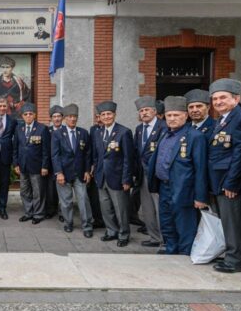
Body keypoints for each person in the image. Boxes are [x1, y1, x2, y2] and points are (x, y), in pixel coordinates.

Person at [147, 96, 209, 255]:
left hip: (184, 189)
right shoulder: (165, 134)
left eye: (176, 115)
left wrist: (200, 197)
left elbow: (201, 168)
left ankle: (185, 253)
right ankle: (170, 248)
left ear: (185, 116)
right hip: (164, 187)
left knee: (185, 225)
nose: (172, 119)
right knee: (167, 221)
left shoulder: (195, 136)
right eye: (169, 115)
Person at [207, 78, 241, 274]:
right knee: (230, 221)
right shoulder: (223, 119)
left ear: (236, 99)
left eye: (223, 98)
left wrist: (232, 182)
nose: (218, 102)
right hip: (219, 180)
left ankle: (235, 260)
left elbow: (240, 153)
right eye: (215, 99)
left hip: (229, 182)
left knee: (233, 222)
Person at [90, 101, 135, 246]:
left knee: (120, 209)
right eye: (103, 114)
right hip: (101, 177)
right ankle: (111, 231)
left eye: (109, 114)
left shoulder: (124, 132)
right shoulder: (98, 132)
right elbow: (97, 156)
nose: (106, 117)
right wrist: (96, 173)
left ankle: (123, 234)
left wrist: (127, 179)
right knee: (106, 208)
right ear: (100, 117)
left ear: (114, 115)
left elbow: (129, 158)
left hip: (118, 178)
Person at [50, 104, 94, 237]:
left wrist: (87, 170)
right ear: (64, 119)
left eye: (75, 117)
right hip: (63, 173)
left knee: (83, 200)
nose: (73, 119)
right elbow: (55, 155)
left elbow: (88, 154)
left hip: (80, 173)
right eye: (70, 117)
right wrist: (59, 173)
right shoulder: (57, 134)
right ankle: (68, 223)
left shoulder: (83, 133)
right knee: (66, 201)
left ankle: (87, 226)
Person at [133, 96, 167, 249]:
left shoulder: (163, 127)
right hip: (142, 175)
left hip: (157, 175)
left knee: (160, 208)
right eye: (141, 111)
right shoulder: (139, 129)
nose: (144, 113)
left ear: (154, 111)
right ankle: (154, 238)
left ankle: (165, 239)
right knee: (147, 208)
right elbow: (136, 152)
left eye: (147, 110)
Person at [13, 103, 50, 223]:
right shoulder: (19, 128)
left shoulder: (42, 128)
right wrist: (16, 164)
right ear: (22, 116)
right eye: (25, 114)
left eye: (30, 114)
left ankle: (38, 214)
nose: (28, 116)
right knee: (24, 191)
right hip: (23, 166)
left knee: (38, 191)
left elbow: (46, 150)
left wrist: (45, 166)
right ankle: (28, 212)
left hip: (37, 166)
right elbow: (15, 148)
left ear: (35, 115)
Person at [45, 105, 65, 220]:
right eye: (54, 116)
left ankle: (62, 212)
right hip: (50, 166)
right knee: (50, 190)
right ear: (51, 119)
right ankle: (51, 210)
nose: (57, 119)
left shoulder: (66, 130)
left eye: (59, 116)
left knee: (62, 190)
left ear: (62, 118)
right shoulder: (47, 131)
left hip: (63, 165)